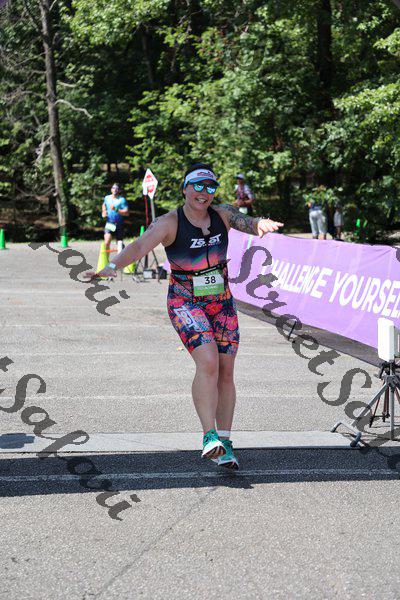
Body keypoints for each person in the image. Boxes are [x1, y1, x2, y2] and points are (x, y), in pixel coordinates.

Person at [85, 163, 283, 470]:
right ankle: (209, 436)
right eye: (197, 186)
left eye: (210, 187)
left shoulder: (222, 215)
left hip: (221, 303)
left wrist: (260, 223)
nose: (203, 193)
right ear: (185, 188)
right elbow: (140, 246)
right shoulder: (169, 222)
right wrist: (110, 267)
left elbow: (246, 221)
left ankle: (225, 443)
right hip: (185, 302)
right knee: (208, 361)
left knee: (226, 370)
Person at [102, 183, 129, 253]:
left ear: (119, 190)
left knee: (119, 244)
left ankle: (122, 252)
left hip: (119, 223)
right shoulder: (107, 198)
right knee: (107, 242)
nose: (115, 190)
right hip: (110, 222)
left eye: (117, 188)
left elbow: (126, 213)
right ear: (111, 189)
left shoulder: (122, 200)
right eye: (113, 188)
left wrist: (116, 209)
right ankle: (106, 258)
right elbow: (104, 204)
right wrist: (104, 211)